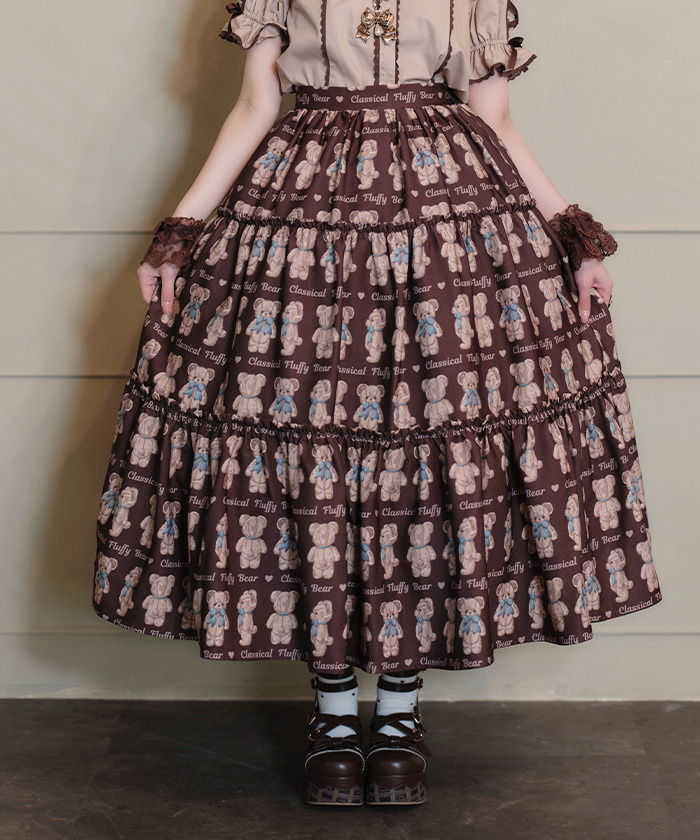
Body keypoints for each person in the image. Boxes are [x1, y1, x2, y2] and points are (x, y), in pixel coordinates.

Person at [93, 0, 663, 807]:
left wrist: (570, 234)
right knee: (305, 441)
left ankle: (397, 713)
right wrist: (180, 231)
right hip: (301, 212)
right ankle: (333, 714)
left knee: (428, 452)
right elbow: (255, 104)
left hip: (448, 222)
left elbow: (495, 117)